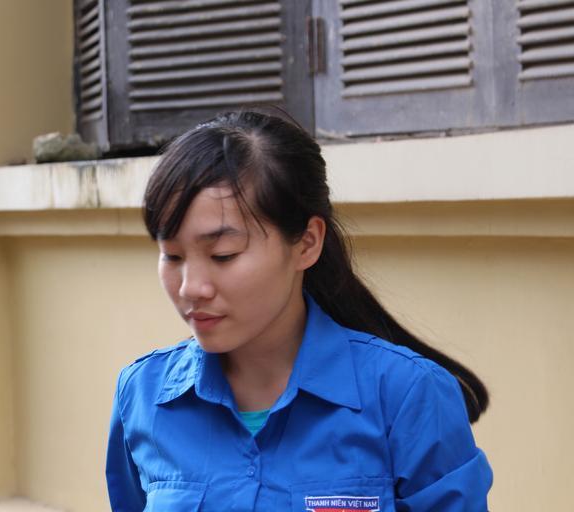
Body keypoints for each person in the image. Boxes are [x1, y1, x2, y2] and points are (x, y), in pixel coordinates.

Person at [105, 110, 493, 511]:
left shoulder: (408, 396)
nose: (190, 288)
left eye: (223, 255)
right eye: (172, 255)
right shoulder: (142, 395)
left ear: (307, 243)